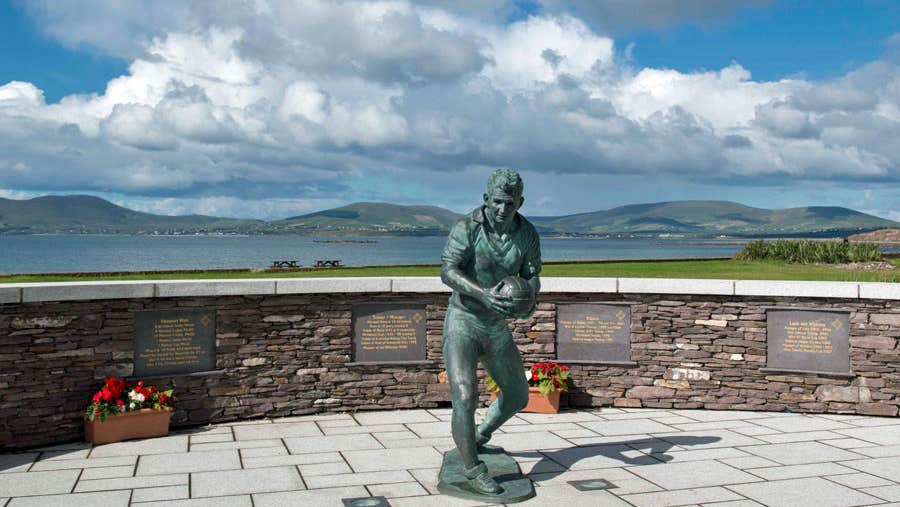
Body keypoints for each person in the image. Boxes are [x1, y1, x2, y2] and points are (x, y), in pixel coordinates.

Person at [440, 168, 541, 495]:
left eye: (509, 204)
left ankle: (478, 437)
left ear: (519, 203)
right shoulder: (466, 228)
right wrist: (482, 293)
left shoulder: (527, 233)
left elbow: (532, 275)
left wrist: (529, 301)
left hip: (496, 327)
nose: (502, 209)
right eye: (497, 202)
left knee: (517, 395)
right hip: (463, 322)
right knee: (465, 396)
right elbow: (448, 271)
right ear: (486, 199)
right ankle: (472, 469)